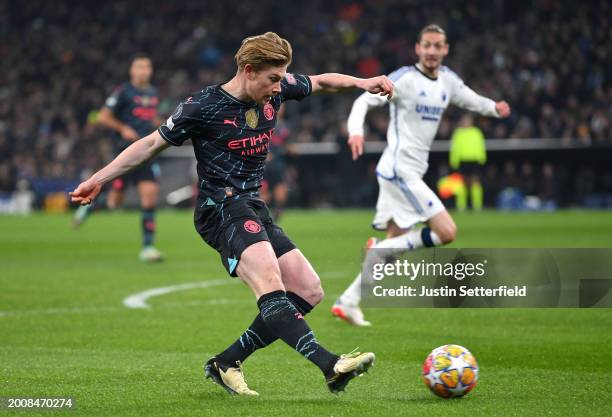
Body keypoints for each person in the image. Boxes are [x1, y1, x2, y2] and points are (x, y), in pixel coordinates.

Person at [70, 32, 393, 396]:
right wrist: (97, 179)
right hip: (220, 209)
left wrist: (363, 82)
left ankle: (226, 362)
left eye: (282, 77)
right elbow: (150, 145)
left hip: (252, 205)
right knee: (271, 282)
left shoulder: (278, 86)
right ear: (248, 70)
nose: (278, 87)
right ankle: (330, 365)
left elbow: (322, 82)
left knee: (308, 289)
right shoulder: (202, 107)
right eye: (272, 79)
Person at [331, 24, 510, 326]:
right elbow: (364, 100)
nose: (431, 51)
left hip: (406, 170)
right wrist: (356, 131)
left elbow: (471, 99)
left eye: (437, 46)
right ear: (417, 48)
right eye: (426, 45)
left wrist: (494, 108)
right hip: (401, 170)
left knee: (396, 244)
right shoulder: (404, 79)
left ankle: (348, 301)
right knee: (446, 232)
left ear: (445, 49)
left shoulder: (448, 82)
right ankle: (380, 250)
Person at [73, 53, 164, 263]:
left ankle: (148, 248)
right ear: (132, 71)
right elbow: (102, 116)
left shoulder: (152, 93)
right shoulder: (123, 92)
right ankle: (91, 206)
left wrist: (164, 123)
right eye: (139, 67)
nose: (144, 71)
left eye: (147, 67)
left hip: (147, 152)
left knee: (149, 197)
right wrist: (123, 128)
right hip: (125, 153)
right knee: (115, 203)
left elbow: (150, 117)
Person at [449, 113, 487, 211]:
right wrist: (454, 160)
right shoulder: (458, 133)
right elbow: (455, 148)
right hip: (462, 160)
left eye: (468, 120)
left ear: (471, 122)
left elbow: (481, 146)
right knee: (462, 184)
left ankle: (477, 205)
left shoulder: (476, 132)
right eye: (464, 120)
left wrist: (482, 157)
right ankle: (461, 206)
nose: (466, 122)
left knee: (475, 183)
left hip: (474, 159)